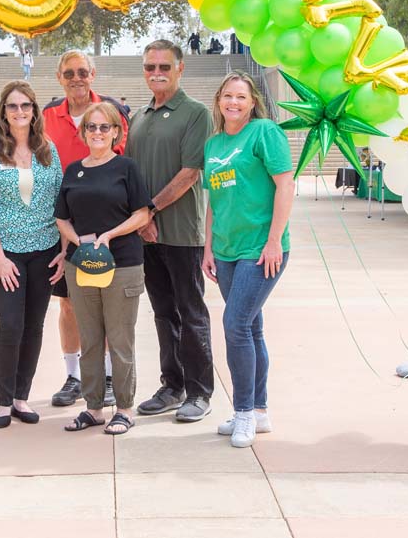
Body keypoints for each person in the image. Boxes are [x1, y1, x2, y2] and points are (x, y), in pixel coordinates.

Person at [202, 71, 295, 449]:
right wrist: (207, 248)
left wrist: (274, 241)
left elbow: (285, 185)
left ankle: (242, 413)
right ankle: (258, 411)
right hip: (225, 250)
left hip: (260, 249)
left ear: (252, 101)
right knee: (251, 328)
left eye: (241, 97)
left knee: (235, 324)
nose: (234, 103)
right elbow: (214, 201)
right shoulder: (213, 144)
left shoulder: (264, 133)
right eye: (228, 96)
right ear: (219, 101)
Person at [126, 40, 214, 423]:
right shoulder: (139, 117)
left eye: (164, 65)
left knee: (191, 313)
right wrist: (139, 220)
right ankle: (172, 385)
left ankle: (199, 392)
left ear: (181, 68)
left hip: (181, 234)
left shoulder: (195, 114)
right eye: (149, 67)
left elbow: (189, 172)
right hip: (146, 236)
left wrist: (150, 211)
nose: (156, 72)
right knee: (163, 313)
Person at [55, 102, 152, 435]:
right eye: (91, 127)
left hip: (122, 264)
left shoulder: (126, 168)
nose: (97, 133)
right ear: (84, 132)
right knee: (91, 338)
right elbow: (61, 218)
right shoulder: (73, 171)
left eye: (104, 127)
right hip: (82, 266)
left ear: (116, 132)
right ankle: (93, 408)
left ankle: (124, 409)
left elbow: (143, 214)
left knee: (120, 338)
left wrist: (110, 235)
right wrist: (78, 241)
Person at [41, 50, 129, 409]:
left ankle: (107, 376)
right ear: (60, 77)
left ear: (92, 74)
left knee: (104, 304)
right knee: (68, 305)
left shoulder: (108, 112)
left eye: (82, 72)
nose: (76, 78)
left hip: (104, 226)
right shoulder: (47, 115)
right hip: (61, 223)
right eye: (69, 73)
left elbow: (122, 162)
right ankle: (74, 376)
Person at [0, 81, 64, 429]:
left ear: (34, 110)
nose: (19, 112)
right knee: (10, 325)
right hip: (6, 253)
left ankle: (21, 398)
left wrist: (64, 249)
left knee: (34, 326)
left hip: (44, 251)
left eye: (25, 105)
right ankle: (2, 401)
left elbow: (61, 203)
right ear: (3, 112)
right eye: (12, 106)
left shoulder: (48, 150)